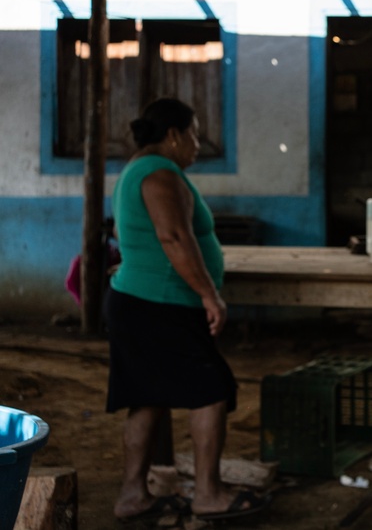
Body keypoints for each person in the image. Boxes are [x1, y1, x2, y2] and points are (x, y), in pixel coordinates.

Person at [105, 98, 270, 523]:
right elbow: (175, 238)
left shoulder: (137, 170)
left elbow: (149, 235)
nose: (198, 144)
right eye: (194, 133)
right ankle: (209, 494)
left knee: (146, 398)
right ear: (174, 135)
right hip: (161, 304)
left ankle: (132, 495)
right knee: (211, 390)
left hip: (139, 301)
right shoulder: (160, 173)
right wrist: (209, 295)